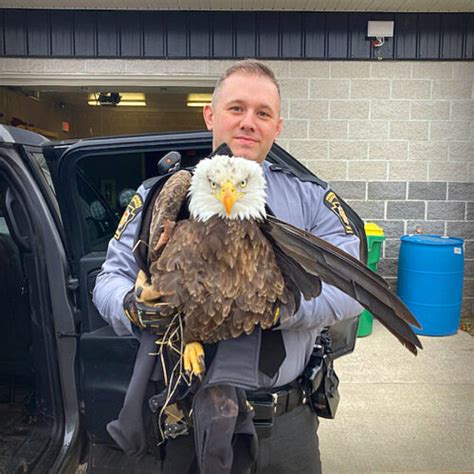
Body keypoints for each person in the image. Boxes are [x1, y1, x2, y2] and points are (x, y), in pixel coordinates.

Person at [93, 60, 363, 473]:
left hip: (283, 423)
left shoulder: (311, 199)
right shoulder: (160, 193)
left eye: (263, 113)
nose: (248, 122)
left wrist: (280, 308)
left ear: (277, 127)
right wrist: (132, 306)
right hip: (183, 418)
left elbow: (351, 289)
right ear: (210, 115)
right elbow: (109, 278)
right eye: (236, 108)